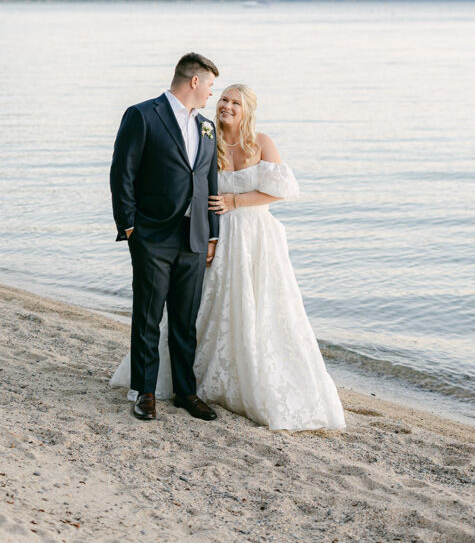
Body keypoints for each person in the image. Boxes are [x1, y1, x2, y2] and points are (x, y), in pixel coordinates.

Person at [111, 83, 346, 432]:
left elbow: (283, 190)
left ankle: (250, 377)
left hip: (255, 237)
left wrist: (236, 202)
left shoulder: (262, 142)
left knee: (259, 308)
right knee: (204, 308)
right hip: (211, 237)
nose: (227, 106)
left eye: (235, 102)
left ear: (248, 109)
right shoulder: (206, 135)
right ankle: (176, 383)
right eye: (223, 99)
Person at [110, 52, 221, 422]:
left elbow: (208, 182)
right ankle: (144, 392)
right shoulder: (143, 115)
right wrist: (129, 228)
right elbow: (122, 173)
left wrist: (212, 234)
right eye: (209, 85)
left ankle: (186, 392)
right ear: (194, 81)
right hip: (152, 235)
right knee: (148, 315)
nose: (211, 94)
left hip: (194, 236)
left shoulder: (207, 126)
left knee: (185, 319)